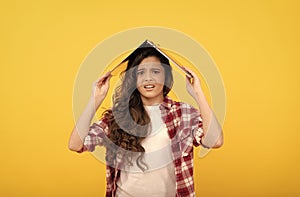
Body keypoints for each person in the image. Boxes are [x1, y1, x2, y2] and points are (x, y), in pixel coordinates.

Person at [69, 46, 223, 197]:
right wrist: (95, 99)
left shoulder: (183, 114)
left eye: (155, 71)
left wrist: (198, 93)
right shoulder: (119, 116)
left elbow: (215, 141)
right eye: (141, 73)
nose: (148, 78)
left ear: (166, 77)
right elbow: (75, 144)